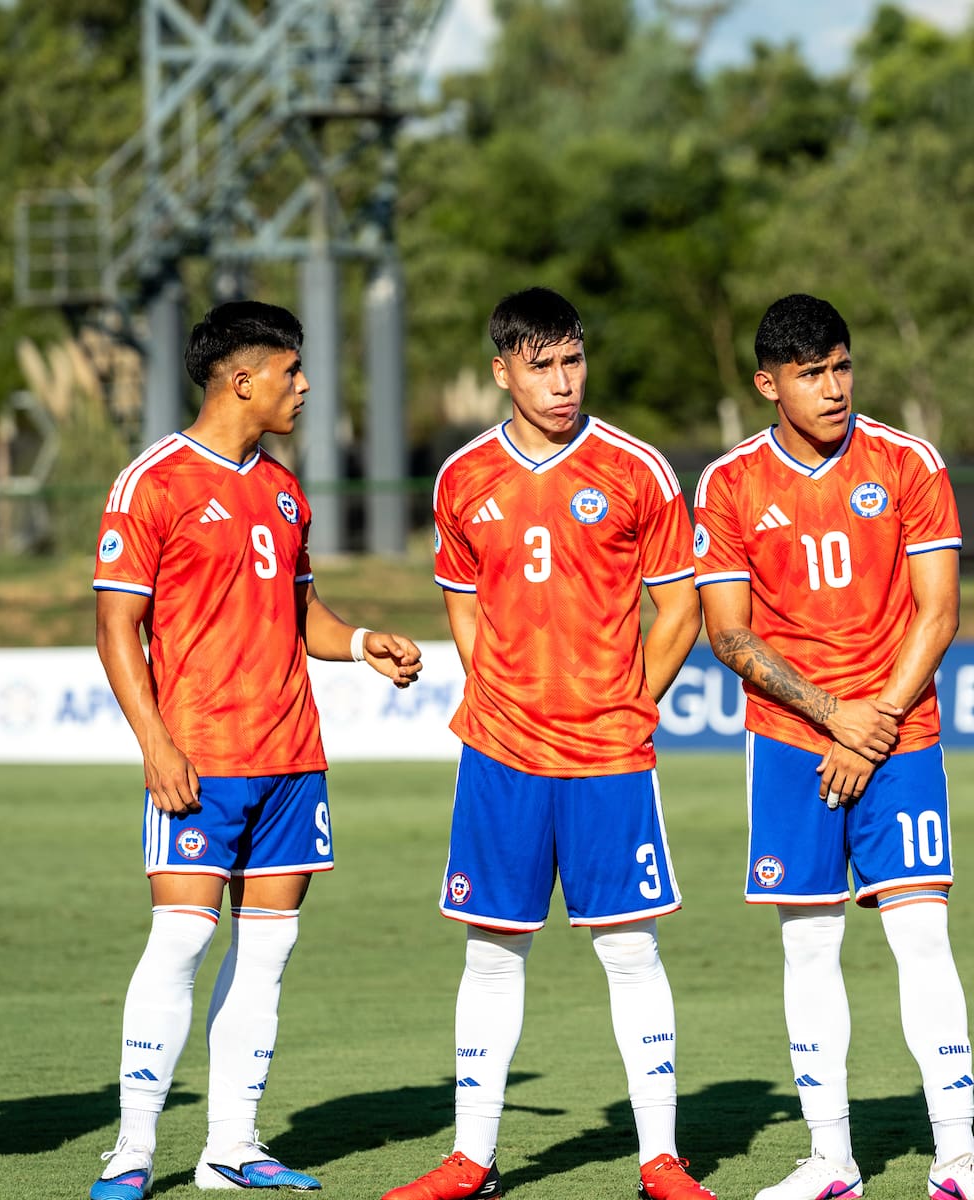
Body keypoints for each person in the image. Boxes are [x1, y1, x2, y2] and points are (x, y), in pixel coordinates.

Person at [382, 287, 712, 1200]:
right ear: (503, 371)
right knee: (492, 950)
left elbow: (680, 606)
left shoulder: (637, 468)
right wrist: (505, 693)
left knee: (628, 949)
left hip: (607, 756)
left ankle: (660, 1158)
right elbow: (463, 596)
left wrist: (623, 701)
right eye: (542, 365)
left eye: (574, 361)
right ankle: (472, 1158)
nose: (564, 382)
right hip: (500, 751)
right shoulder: (460, 478)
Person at [88, 299, 422, 1197]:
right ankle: (131, 1147)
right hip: (199, 757)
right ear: (244, 379)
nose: (304, 385)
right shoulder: (152, 482)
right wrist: (155, 742)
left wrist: (359, 644)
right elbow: (117, 625)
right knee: (180, 943)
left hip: (291, 758)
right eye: (291, 371)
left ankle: (230, 1148)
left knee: (266, 953)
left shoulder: (282, 488)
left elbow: (300, 611)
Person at [693, 293, 974, 1200]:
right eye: (810, 374)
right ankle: (832, 1160)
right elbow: (728, 636)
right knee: (808, 946)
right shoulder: (730, 483)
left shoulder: (908, 462)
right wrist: (831, 713)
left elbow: (939, 613)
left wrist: (874, 721)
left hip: (900, 737)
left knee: (924, 938)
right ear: (769, 384)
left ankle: (961, 1157)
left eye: (842, 366)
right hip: (788, 742)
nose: (833, 387)